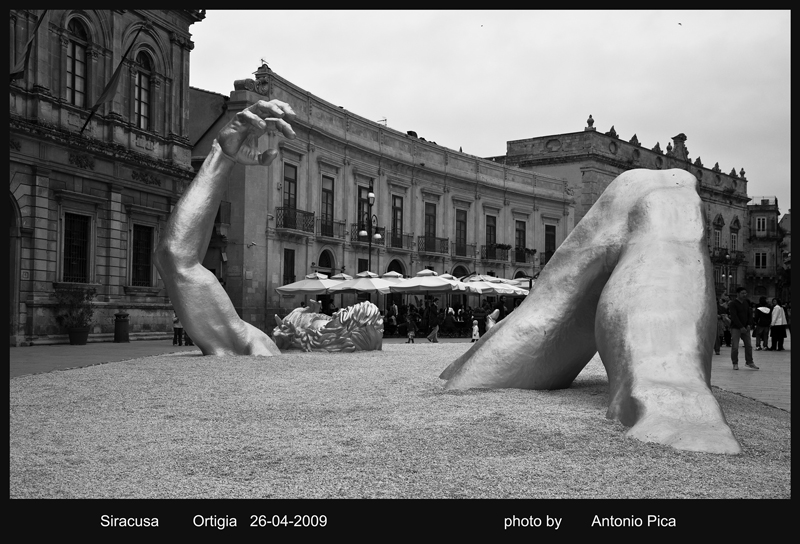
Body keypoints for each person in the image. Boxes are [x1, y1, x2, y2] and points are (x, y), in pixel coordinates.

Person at [154, 99, 296, 356]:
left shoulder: (252, 343)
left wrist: (221, 156)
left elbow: (174, 257)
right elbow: (172, 258)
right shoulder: (251, 342)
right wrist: (222, 155)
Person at [728, 287, 758, 370]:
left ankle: (749, 362)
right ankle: (735, 363)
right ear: (738, 294)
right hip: (736, 328)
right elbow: (734, 316)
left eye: (745, 293)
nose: (744, 295)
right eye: (742, 293)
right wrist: (740, 327)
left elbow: (749, 314)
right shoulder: (733, 304)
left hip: (746, 328)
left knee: (748, 346)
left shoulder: (746, 302)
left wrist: (749, 324)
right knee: (735, 346)